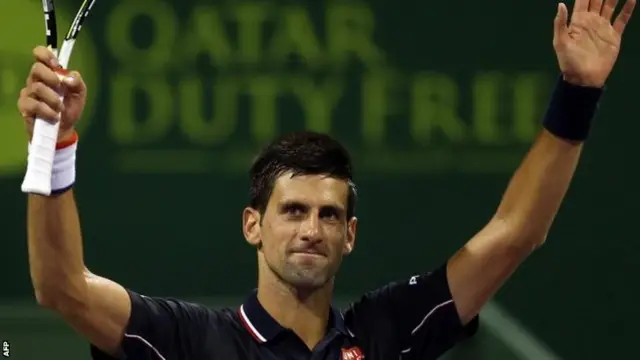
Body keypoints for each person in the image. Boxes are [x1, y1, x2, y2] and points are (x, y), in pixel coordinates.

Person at [17, 0, 635, 359]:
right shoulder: (189, 341)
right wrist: (57, 143)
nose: (312, 228)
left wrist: (578, 93)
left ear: (351, 236)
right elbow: (61, 288)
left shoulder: (388, 332)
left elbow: (516, 231)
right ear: (252, 225)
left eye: (330, 214)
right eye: (293, 211)